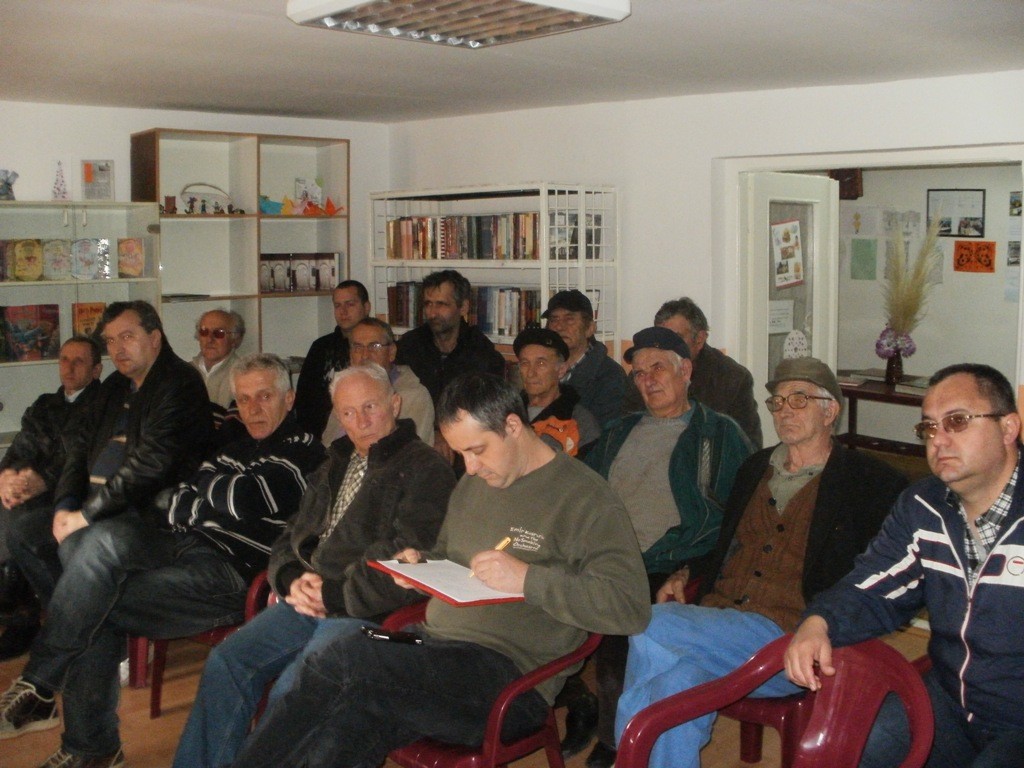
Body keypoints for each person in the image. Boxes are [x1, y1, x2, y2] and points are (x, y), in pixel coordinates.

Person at [230, 372, 651, 768]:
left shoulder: (586, 498)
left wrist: (528, 579)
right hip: (433, 647)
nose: (470, 467)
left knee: (340, 660)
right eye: (461, 452)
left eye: (477, 450)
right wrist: (418, 566)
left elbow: (630, 608)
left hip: (507, 678)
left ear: (512, 426)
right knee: (345, 712)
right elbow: (447, 555)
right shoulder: (475, 484)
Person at [0, 352, 324, 766]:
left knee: (93, 604)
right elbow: (178, 499)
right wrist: (213, 495)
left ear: (289, 399)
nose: (253, 408)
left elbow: (245, 498)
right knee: (97, 541)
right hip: (181, 545)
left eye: (264, 396)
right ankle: (67, 721)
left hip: (230, 570)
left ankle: (66, 717)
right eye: (243, 399)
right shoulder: (235, 447)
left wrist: (209, 493)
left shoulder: (305, 451)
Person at [613, 356, 906, 768]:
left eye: (799, 399)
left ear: (830, 411)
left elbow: (884, 572)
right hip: (718, 625)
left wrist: (831, 623)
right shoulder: (754, 468)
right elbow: (724, 542)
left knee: (649, 622)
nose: (784, 410)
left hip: (790, 642)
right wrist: (687, 572)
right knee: (674, 686)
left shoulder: (868, 482)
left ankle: (624, 757)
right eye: (778, 402)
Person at [172, 362, 455, 768]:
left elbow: (407, 561)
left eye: (371, 407)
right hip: (308, 599)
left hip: (367, 613)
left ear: (394, 404)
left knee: (295, 689)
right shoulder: (334, 462)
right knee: (227, 661)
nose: (361, 421)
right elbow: (290, 533)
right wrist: (290, 579)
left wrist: (332, 594)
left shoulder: (426, 469)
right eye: (348, 412)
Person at [0, 300, 214, 766]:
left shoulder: (179, 383)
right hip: (98, 515)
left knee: (89, 558)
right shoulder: (114, 387)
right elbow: (77, 450)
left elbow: (152, 465)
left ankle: (43, 680)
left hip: (155, 522)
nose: (118, 348)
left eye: (128, 337)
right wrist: (64, 506)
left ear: (155, 338)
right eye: (111, 340)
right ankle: (87, 735)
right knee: (23, 531)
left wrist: (85, 516)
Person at [784, 363, 1024, 768]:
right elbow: (875, 583)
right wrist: (819, 621)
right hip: (950, 698)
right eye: (929, 427)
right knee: (858, 745)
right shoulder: (923, 506)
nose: (939, 440)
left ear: (1008, 428)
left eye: (957, 421)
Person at [580, 325, 754, 768]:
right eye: (639, 373)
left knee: (622, 635)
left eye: (658, 368)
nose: (647, 380)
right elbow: (582, 492)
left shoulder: (719, 434)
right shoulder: (618, 431)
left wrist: (693, 570)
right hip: (601, 555)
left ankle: (618, 743)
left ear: (686, 372)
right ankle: (573, 703)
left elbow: (742, 518)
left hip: (667, 560)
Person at [0, 336, 102, 660]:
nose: (69, 367)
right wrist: (8, 476)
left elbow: (82, 460)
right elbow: (21, 448)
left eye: (79, 361)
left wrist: (42, 480)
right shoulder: (45, 404)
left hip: (74, 498)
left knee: (17, 523)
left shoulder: (103, 406)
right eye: (64, 359)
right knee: (7, 504)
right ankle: (19, 612)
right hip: (33, 492)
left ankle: (25, 619)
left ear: (96, 369)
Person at [624, 298, 762, 448]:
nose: (666, 346)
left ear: (700, 339)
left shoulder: (731, 378)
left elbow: (748, 447)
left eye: (677, 338)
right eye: (661, 338)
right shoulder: (642, 376)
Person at [321, 318, 435, 446]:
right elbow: (327, 443)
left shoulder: (414, 396)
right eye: (358, 347)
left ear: (391, 352)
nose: (365, 355)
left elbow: (410, 453)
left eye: (374, 346)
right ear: (350, 354)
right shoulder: (346, 392)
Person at [294, 280, 371, 437]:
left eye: (350, 304)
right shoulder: (321, 348)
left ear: (366, 307)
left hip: (365, 428)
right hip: (321, 436)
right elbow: (304, 401)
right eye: (337, 306)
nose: (343, 311)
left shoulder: (377, 347)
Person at [543, 289, 627, 429]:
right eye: (554, 320)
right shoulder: (542, 368)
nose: (559, 327)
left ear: (590, 329)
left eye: (569, 319)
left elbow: (603, 433)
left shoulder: (609, 376)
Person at [514, 326, 600, 458]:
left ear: (561, 370)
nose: (531, 373)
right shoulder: (506, 412)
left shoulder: (579, 422)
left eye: (541, 364)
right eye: (525, 363)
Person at [190, 308, 245, 428]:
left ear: (235, 339)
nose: (210, 339)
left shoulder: (244, 374)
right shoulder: (184, 372)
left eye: (219, 333)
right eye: (204, 332)